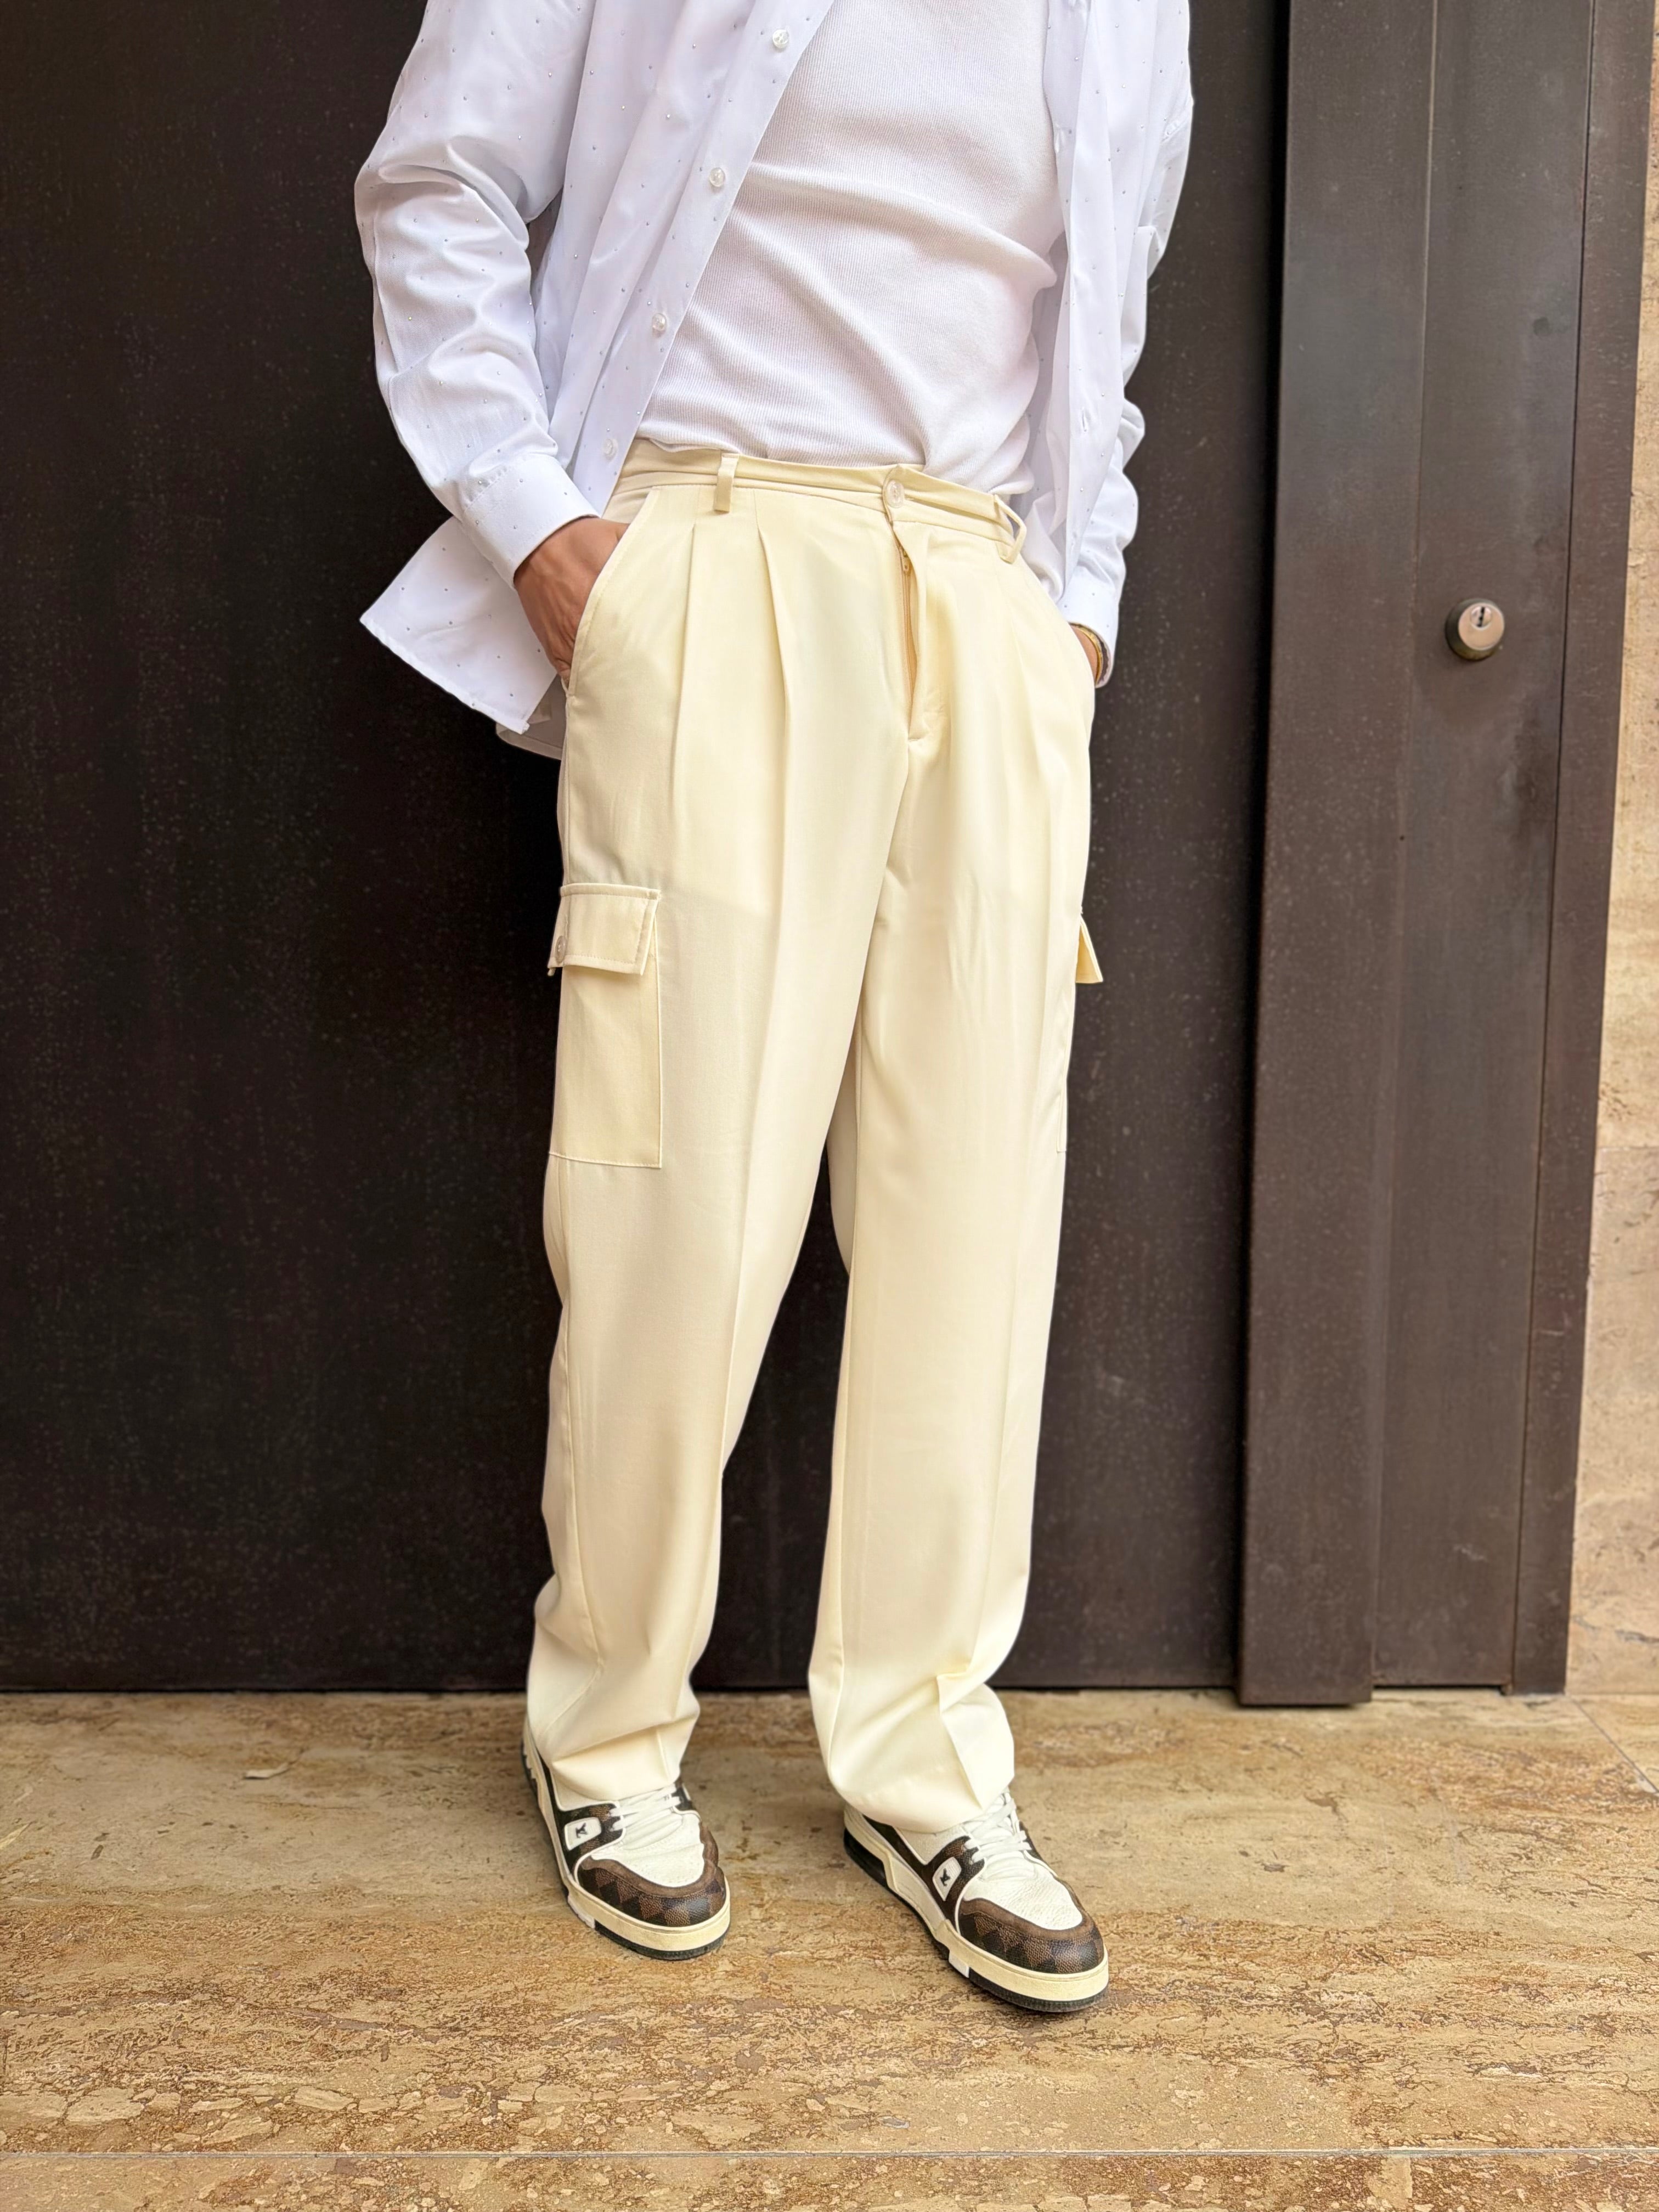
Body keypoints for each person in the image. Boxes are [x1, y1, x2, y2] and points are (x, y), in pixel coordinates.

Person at [356, 0, 1191, 2013]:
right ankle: (606, 1735)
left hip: (985, 594)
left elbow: (1100, 322)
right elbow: (438, 179)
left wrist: (1074, 616)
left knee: (975, 1229)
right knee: (677, 1199)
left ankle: (926, 1764)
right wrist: (546, 529)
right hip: (713, 551)